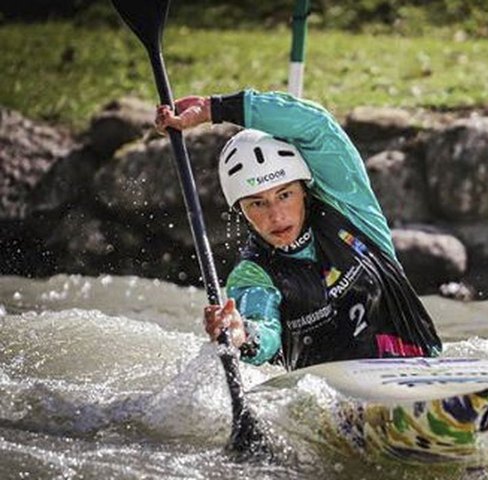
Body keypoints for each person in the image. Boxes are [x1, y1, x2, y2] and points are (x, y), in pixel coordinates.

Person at [155, 89, 442, 371]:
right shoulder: (254, 273)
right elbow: (264, 331)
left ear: (304, 190)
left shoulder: (351, 207)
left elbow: (316, 124)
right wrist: (241, 335)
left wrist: (212, 109)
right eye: (257, 203)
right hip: (337, 405)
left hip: (424, 369)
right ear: (241, 210)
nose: (276, 215)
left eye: (284, 194)